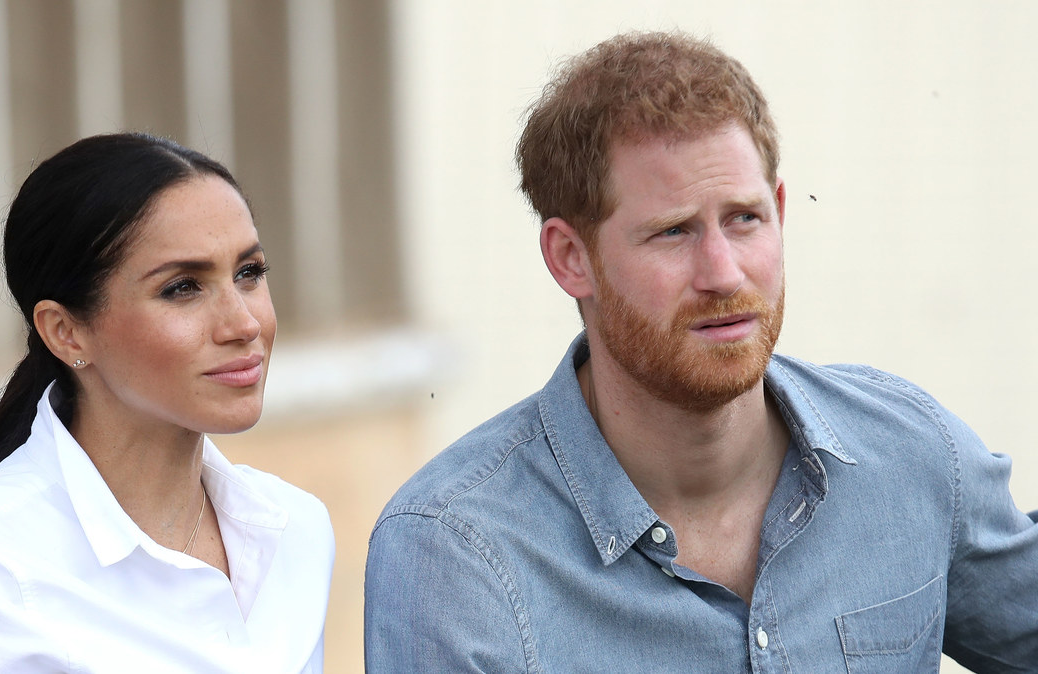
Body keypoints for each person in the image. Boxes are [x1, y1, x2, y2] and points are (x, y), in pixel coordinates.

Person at [364, 32, 1038, 672]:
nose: (723, 272)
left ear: (780, 210)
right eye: (673, 232)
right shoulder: (455, 553)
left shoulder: (911, 456)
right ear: (571, 259)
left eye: (744, 219)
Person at [0, 133, 334, 673]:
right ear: (66, 331)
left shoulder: (293, 530)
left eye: (249, 273)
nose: (243, 324)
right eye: (183, 287)